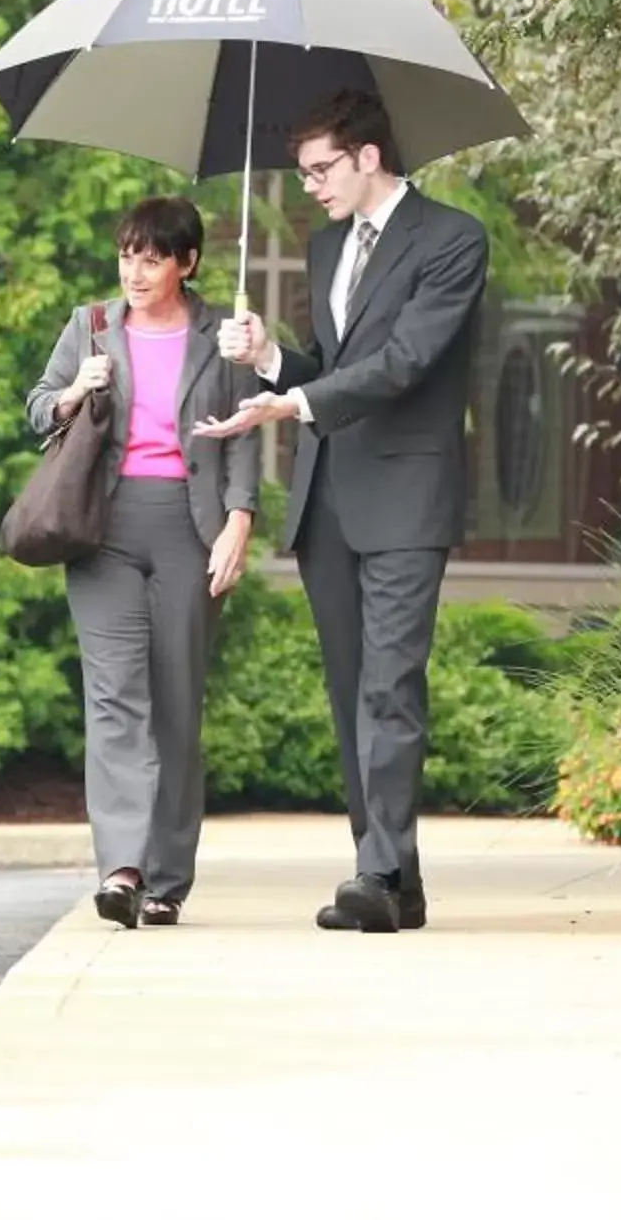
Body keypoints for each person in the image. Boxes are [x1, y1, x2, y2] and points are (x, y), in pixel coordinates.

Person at [199, 88, 491, 933]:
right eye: (302, 173)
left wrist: (293, 405)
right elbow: (327, 363)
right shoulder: (326, 248)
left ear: (369, 157)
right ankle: (394, 876)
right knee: (349, 691)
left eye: (321, 169)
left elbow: (404, 362)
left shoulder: (453, 240)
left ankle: (377, 871)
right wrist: (268, 360)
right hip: (329, 499)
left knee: (391, 688)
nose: (311, 187)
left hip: (406, 496)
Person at [26, 197, 262, 929]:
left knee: (176, 702)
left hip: (190, 529)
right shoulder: (89, 327)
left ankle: (167, 878)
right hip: (103, 528)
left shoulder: (222, 337)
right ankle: (122, 867)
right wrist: (73, 391)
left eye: (153, 257)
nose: (136, 270)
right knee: (114, 696)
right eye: (128, 254)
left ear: (187, 263)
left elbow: (248, 435)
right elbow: (36, 408)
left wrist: (240, 522)